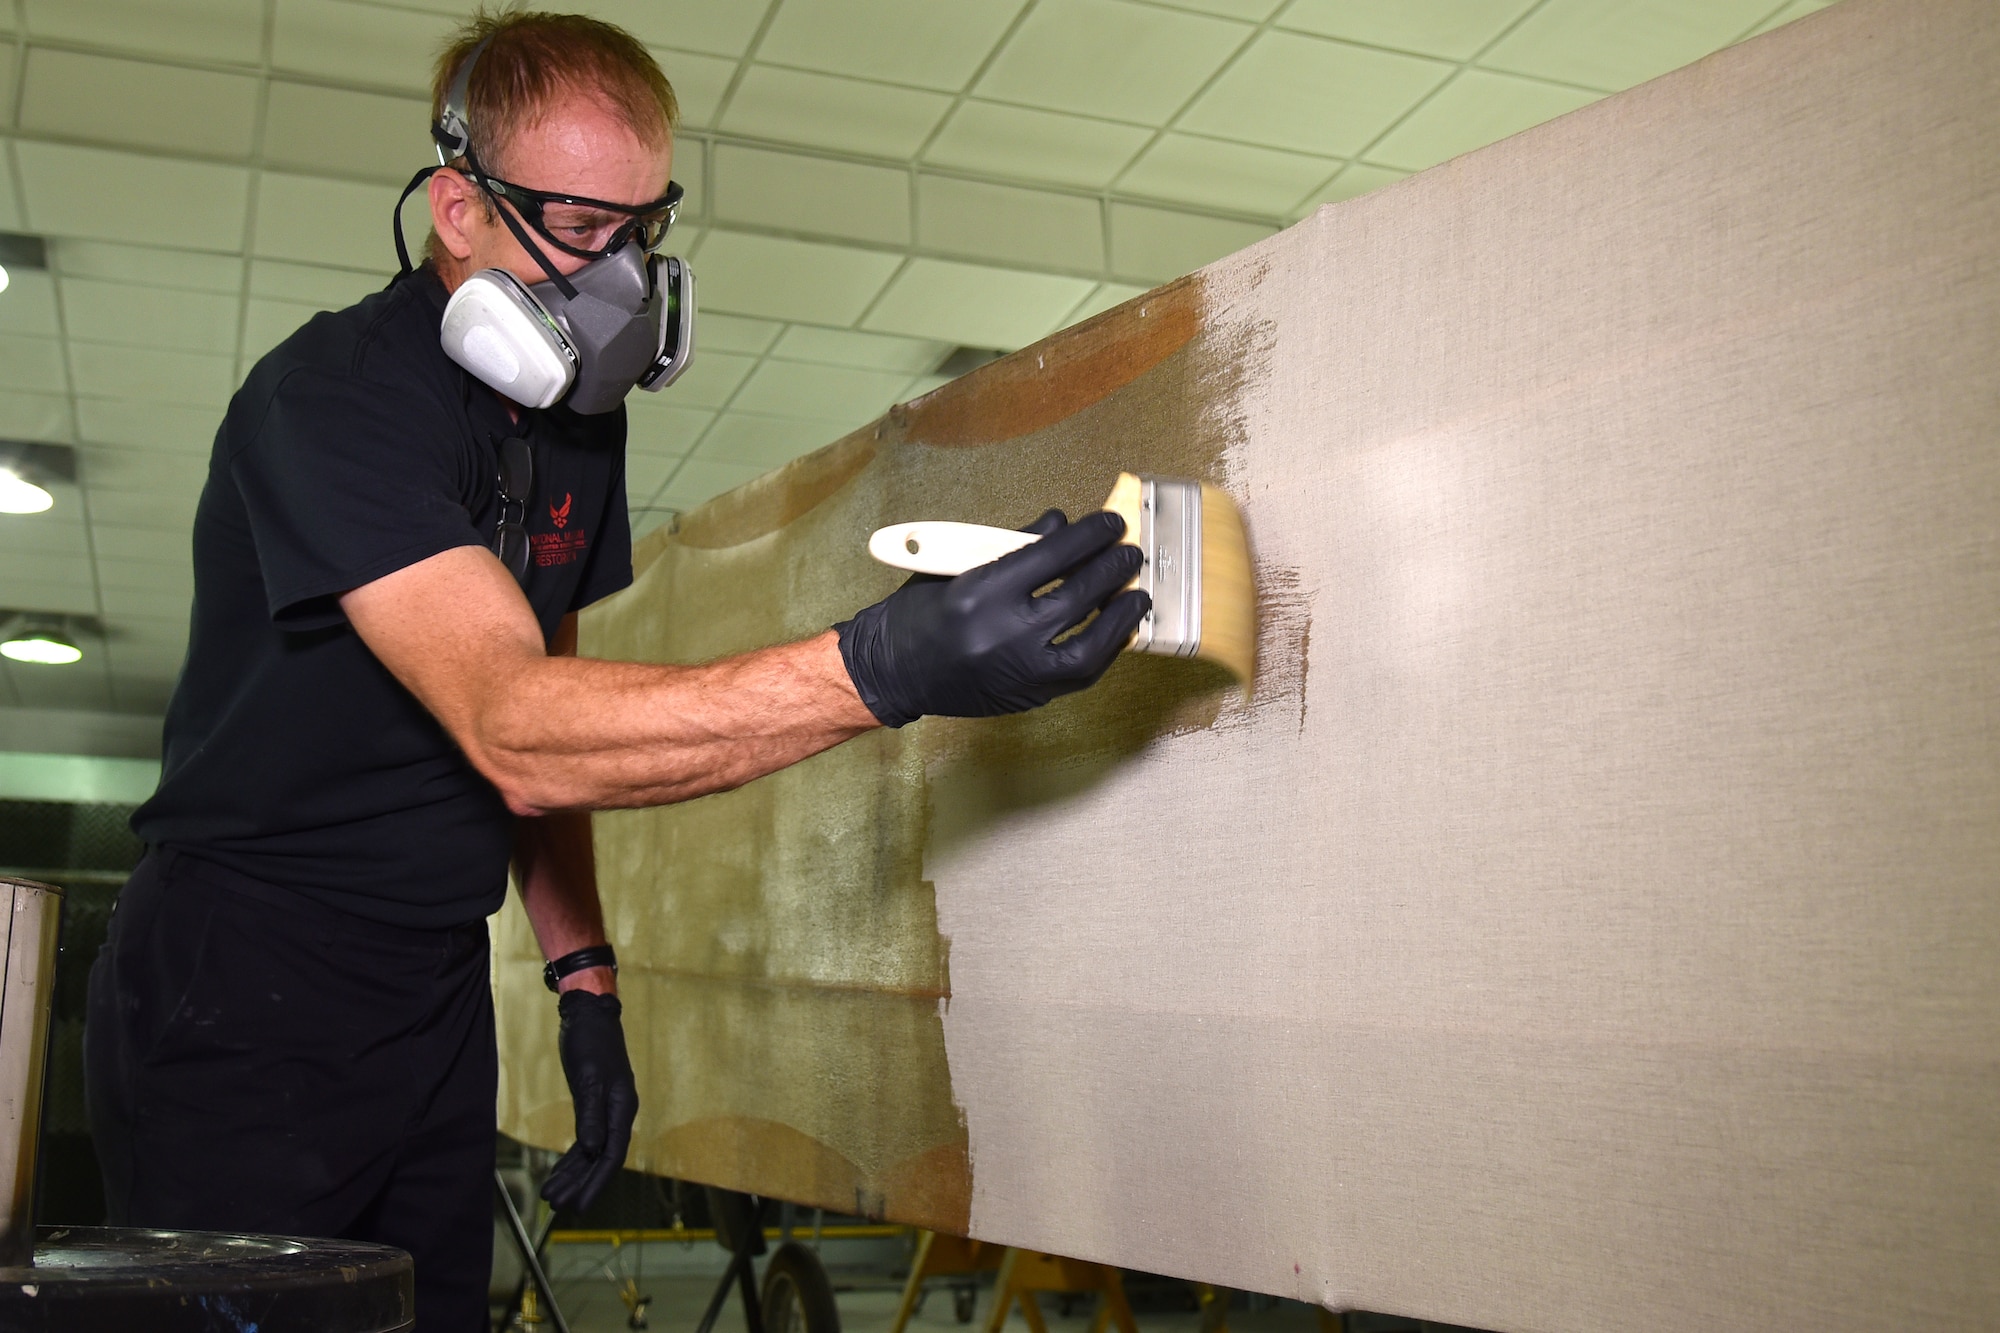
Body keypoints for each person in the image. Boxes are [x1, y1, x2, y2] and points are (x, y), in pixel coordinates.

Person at [81, 10, 1149, 1331]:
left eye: (643, 231)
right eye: (584, 230)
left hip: (428, 979)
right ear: (460, 209)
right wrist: (886, 664)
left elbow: (559, 728)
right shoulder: (334, 402)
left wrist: (583, 978)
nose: (621, 279)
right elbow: (516, 729)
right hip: (240, 974)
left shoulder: (578, 435)